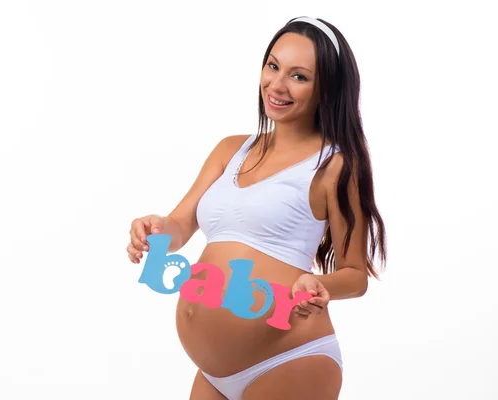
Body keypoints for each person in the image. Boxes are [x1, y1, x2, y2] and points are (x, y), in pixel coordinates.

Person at [126, 16, 387, 400]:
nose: (277, 85)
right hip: (214, 372)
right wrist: (154, 229)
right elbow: (180, 224)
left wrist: (319, 283)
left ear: (326, 89)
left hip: (289, 362)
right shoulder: (231, 149)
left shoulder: (335, 166)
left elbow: (355, 275)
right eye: (273, 66)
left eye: (299, 76)